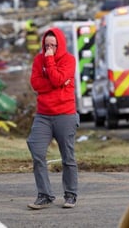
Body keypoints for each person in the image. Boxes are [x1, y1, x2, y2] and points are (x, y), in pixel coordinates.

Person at [26, 27, 79, 210]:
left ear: (60, 45)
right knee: (36, 148)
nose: (49, 49)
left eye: (53, 45)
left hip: (65, 114)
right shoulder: (38, 60)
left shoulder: (69, 60)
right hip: (44, 115)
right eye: (46, 45)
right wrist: (54, 82)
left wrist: (50, 65)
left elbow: (57, 79)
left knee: (68, 157)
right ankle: (45, 195)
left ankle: (71, 194)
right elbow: (36, 84)